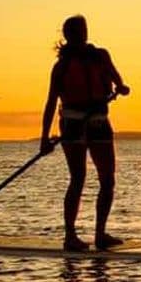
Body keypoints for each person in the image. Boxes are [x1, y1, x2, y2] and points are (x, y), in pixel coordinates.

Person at [39, 15, 130, 251]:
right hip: (73, 124)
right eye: (78, 31)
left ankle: (100, 234)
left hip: (98, 122)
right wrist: (44, 139)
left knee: (107, 179)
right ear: (69, 35)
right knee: (78, 178)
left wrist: (121, 87)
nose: (83, 34)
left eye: (84, 29)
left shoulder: (100, 56)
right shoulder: (61, 67)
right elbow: (51, 102)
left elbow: (117, 79)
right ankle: (70, 235)